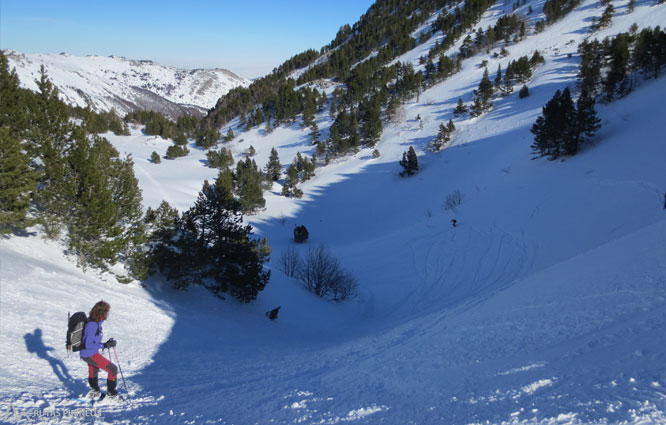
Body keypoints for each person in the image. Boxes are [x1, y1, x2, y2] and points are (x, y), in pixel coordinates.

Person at [80, 301, 118, 397]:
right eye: (107, 311)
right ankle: (112, 394)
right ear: (102, 312)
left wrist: (105, 344)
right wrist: (103, 345)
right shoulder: (92, 325)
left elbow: (92, 341)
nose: (108, 314)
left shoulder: (96, 323)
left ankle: (95, 391)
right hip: (89, 353)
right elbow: (88, 344)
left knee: (94, 369)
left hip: (88, 353)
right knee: (113, 369)